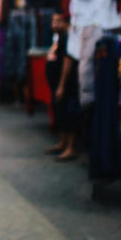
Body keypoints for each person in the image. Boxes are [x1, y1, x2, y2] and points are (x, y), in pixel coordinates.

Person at [45, 13, 80, 161]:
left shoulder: (68, 37)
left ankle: (70, 147)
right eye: (53, 21)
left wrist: (61, 85)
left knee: (69, 113)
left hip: (68, 84)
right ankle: (63, 142)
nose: (54, 24)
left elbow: (68, 61)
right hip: (60, 83)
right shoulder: (60, 37)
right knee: (61, 112)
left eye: (58, 21)